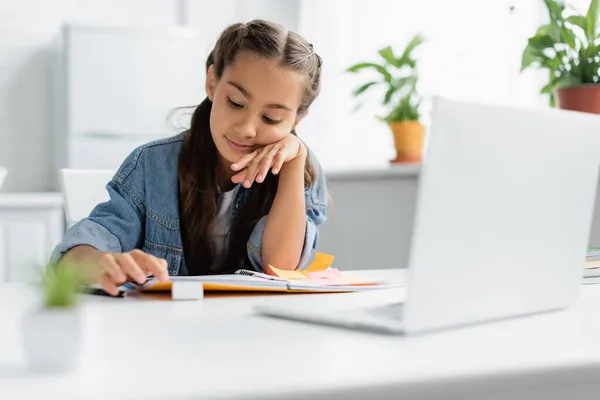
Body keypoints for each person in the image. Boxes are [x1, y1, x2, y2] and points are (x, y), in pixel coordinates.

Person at [50, 19, 328, 296]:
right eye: (235, 102)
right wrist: (101, 264)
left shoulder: (302, 170)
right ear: (212, 82)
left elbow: (280, 268)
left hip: (252, 333)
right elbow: (73, 259)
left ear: (296, 119)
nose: (246, 129)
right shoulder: (151, 165)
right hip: (163, 331)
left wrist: (295, 161)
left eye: (271, 118)